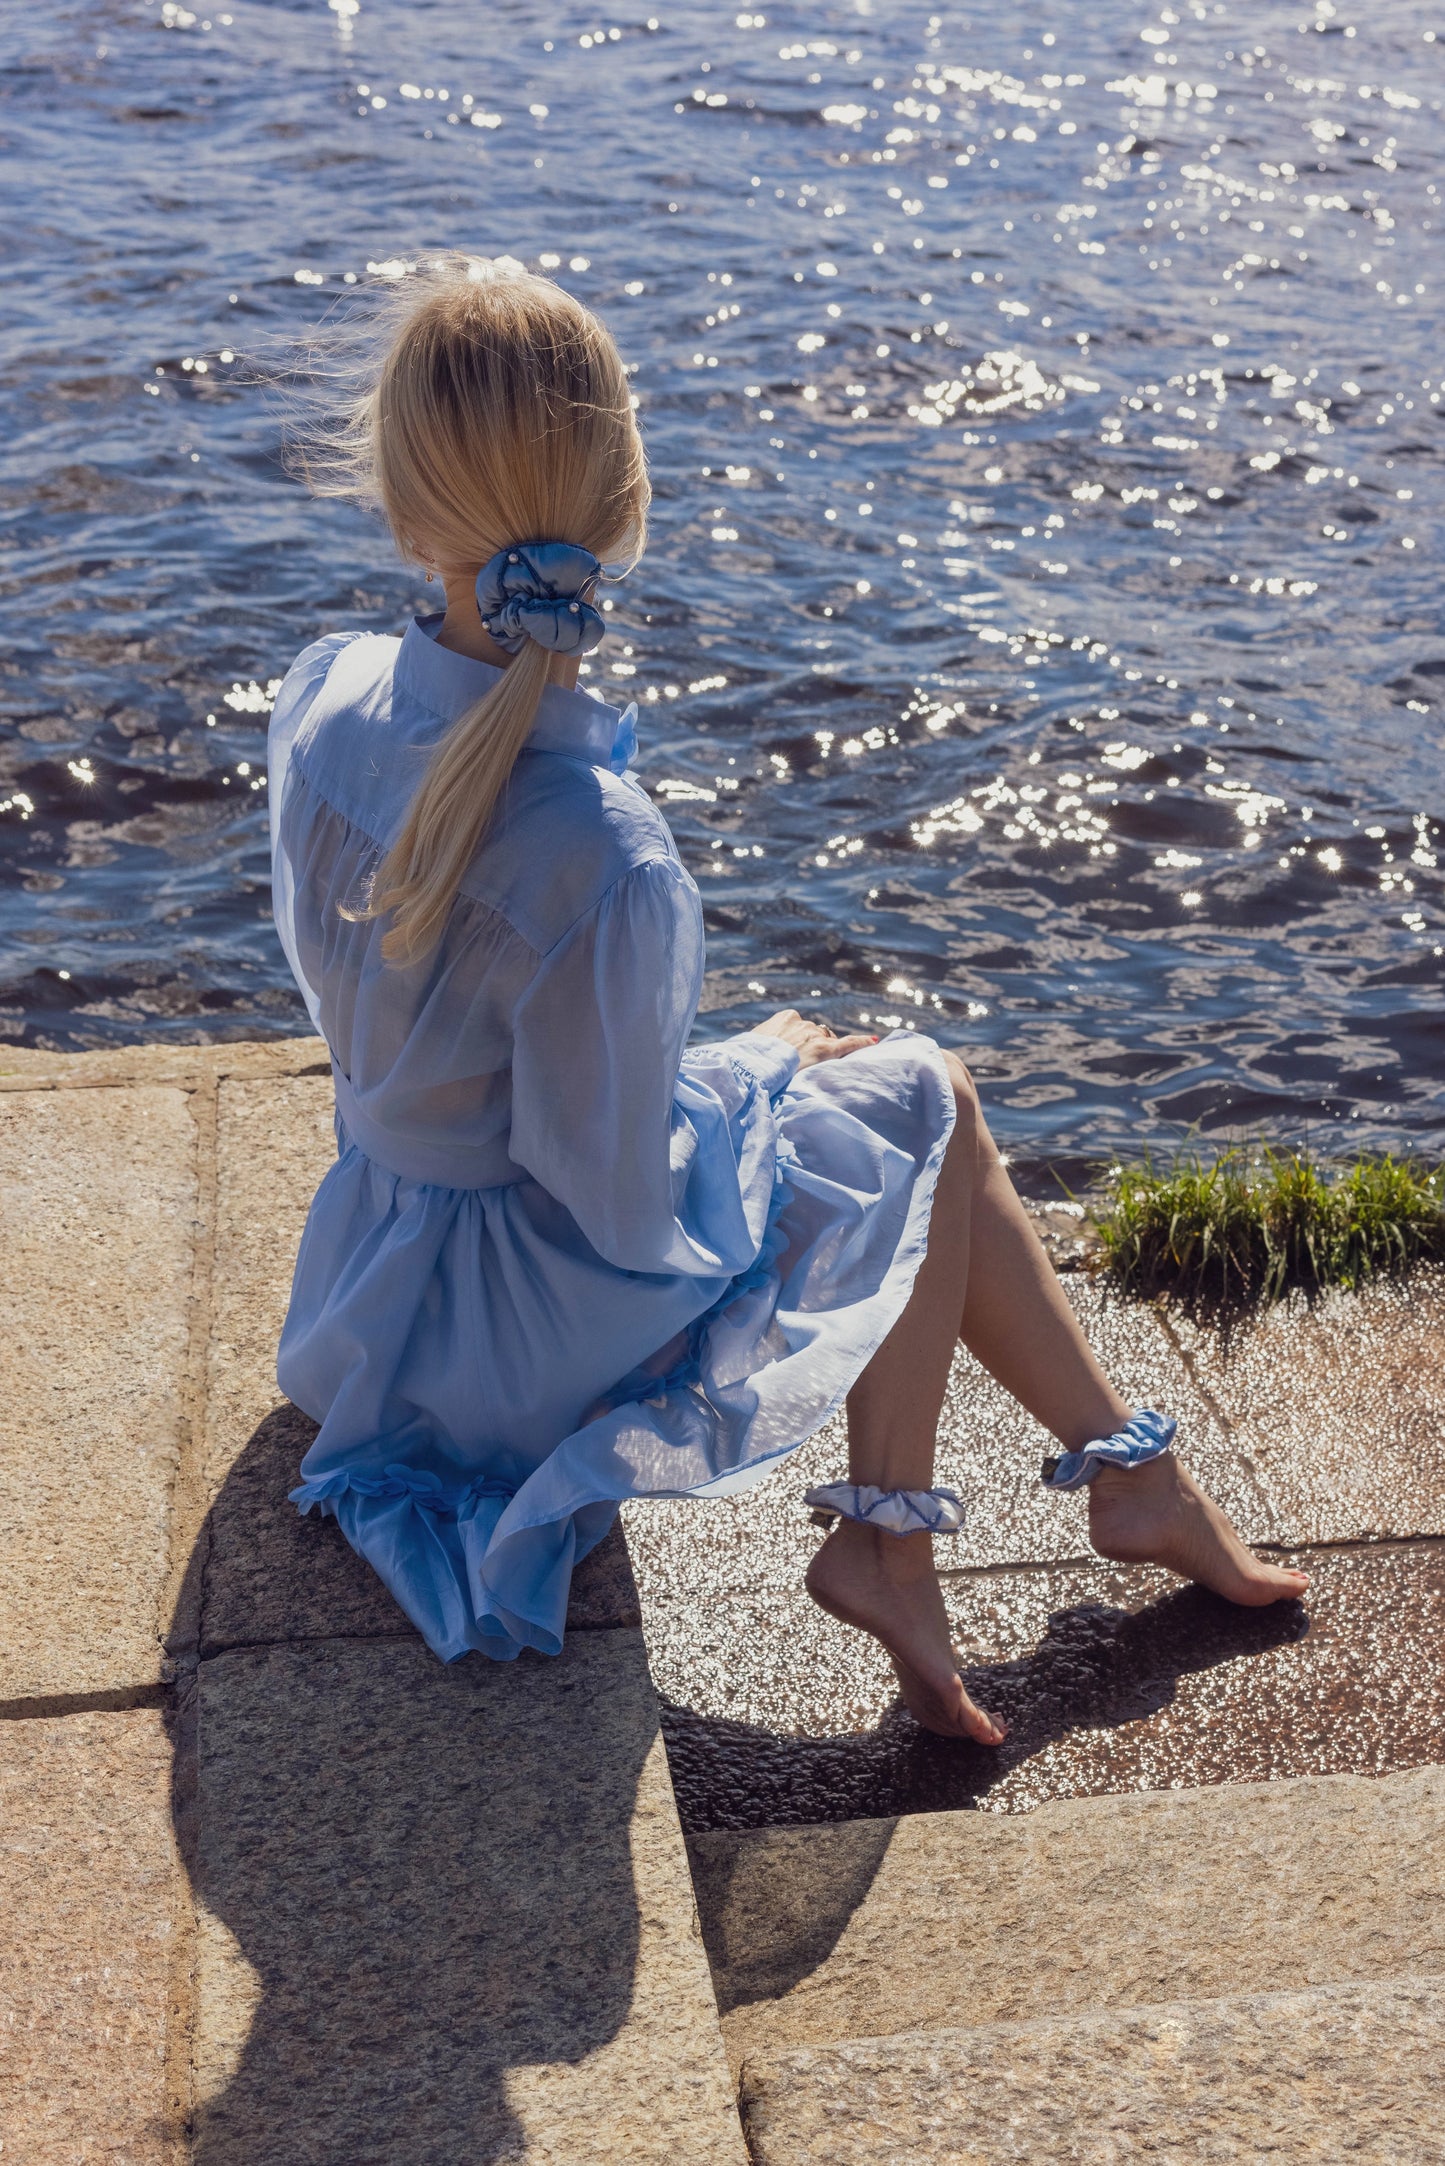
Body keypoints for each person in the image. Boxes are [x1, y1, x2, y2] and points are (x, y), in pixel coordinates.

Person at [267, 257, 1307, 1743]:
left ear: (398, 501)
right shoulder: (605, 855)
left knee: (907, 1105)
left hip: (373, 1286)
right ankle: (906, 1540)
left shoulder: (323, 696)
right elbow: (616, 1203)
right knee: (921, 1100)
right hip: (500, 1337)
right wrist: (752, 1061)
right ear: (619, 504)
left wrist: (737, 1073)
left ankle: (1122, 1482)